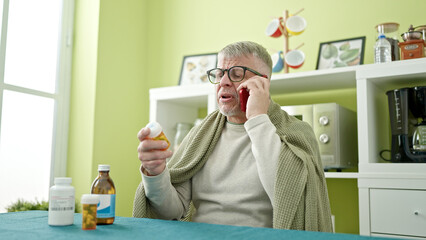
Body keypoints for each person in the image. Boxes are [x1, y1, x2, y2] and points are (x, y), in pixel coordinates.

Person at [133, 41, 333, 231]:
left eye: (237, 74)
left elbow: (289, 199)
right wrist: (156, 173)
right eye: (219, 74)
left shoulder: (297, 132)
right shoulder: (201, 135)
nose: (224, 82)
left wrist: (256, 118)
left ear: (263, 83)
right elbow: (172, 211)